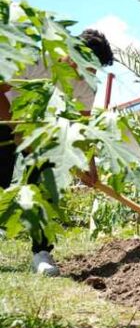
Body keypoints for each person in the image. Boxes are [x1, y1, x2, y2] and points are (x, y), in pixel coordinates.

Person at [0, 29, 114, 276]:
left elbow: (80, 127)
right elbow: (0, 91)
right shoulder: (37, 58)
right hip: (5, 117)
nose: (90, 74)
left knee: (48, 186)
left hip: (44, 131)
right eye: (87, 66)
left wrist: (88, 166)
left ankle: (41, 253)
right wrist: (17, 129)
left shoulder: (87, 84)